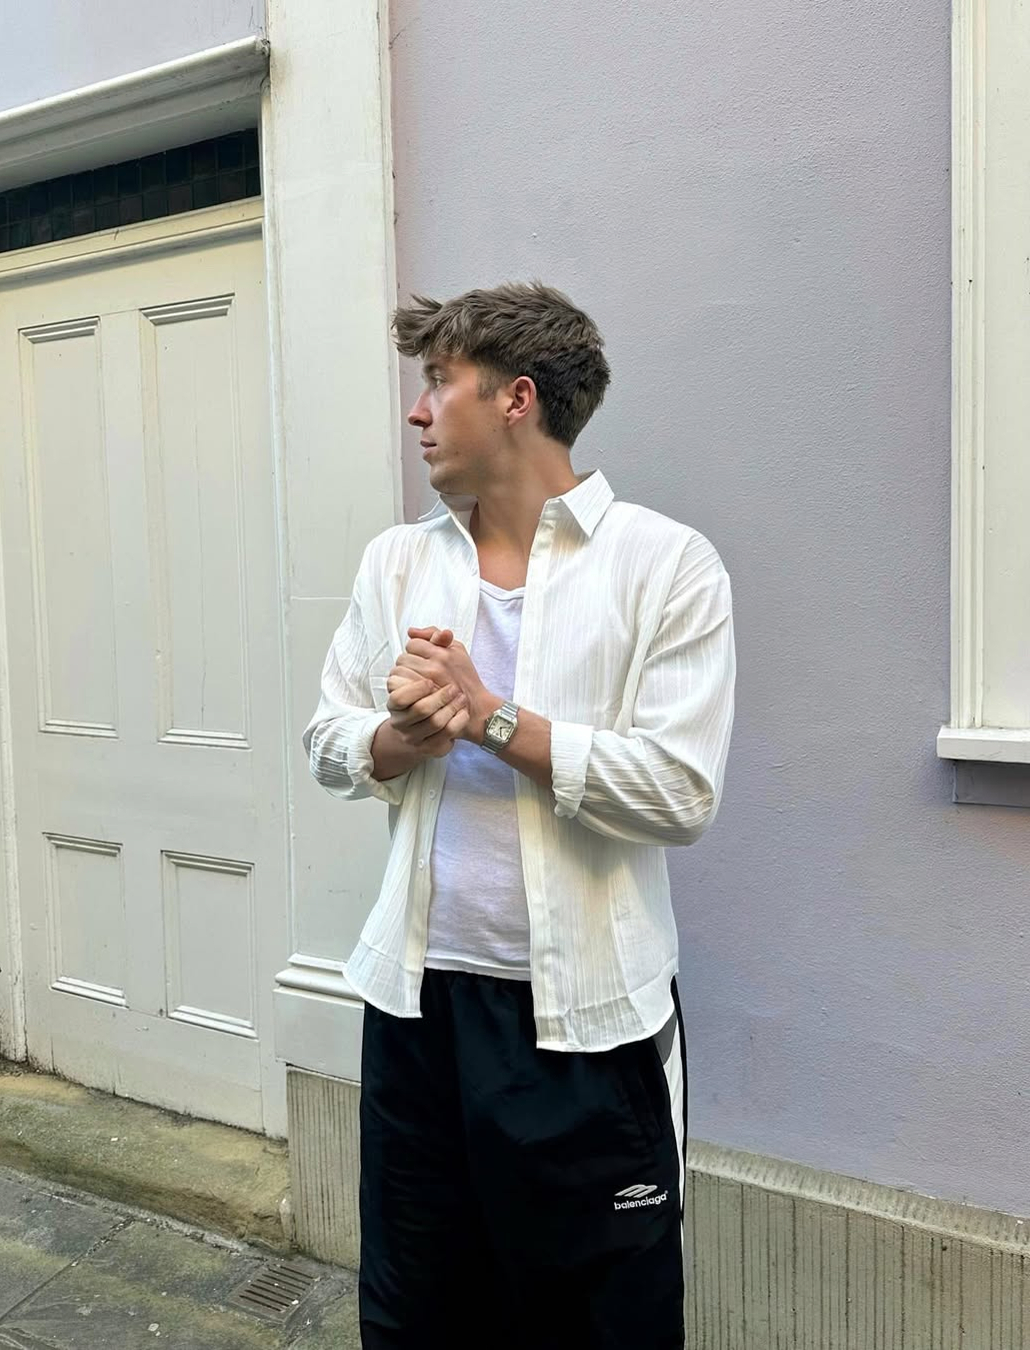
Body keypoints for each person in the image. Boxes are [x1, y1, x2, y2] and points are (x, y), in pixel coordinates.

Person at [303, 281, 736, 1349]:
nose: (417, 411)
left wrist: (493, 719)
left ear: (517, 399)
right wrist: (408, 736)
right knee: (415, 1314)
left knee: (600, 1323)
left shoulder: (664, 564)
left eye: (438, 381)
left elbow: (680, 790)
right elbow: (326, 740)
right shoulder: (397, 561)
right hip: (416, 1011)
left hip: (586, 1028)